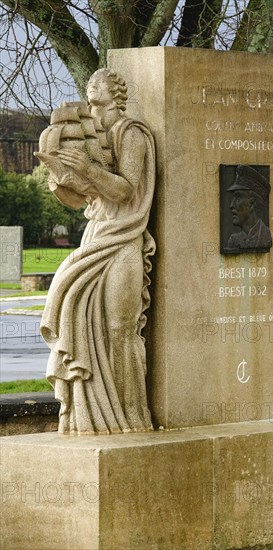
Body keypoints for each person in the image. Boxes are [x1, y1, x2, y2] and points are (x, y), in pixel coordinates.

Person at [40, 69, 156, 434]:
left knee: (120, 329)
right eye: (89, 83)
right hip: (96, 234)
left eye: (99, 81)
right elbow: (82, 201)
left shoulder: (132, 132)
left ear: (116, 92)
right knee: (77, 316)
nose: (91, 85)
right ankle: (87, 415)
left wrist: (88, 169)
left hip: (123, 240)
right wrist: (62, 179)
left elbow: (124, 191)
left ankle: (130, 417)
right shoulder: (91, 136)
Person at [226, 165, 272, 250]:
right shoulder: (233, 240)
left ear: (252, 204)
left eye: (238, 197)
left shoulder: (265, 236)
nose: (231, 205)